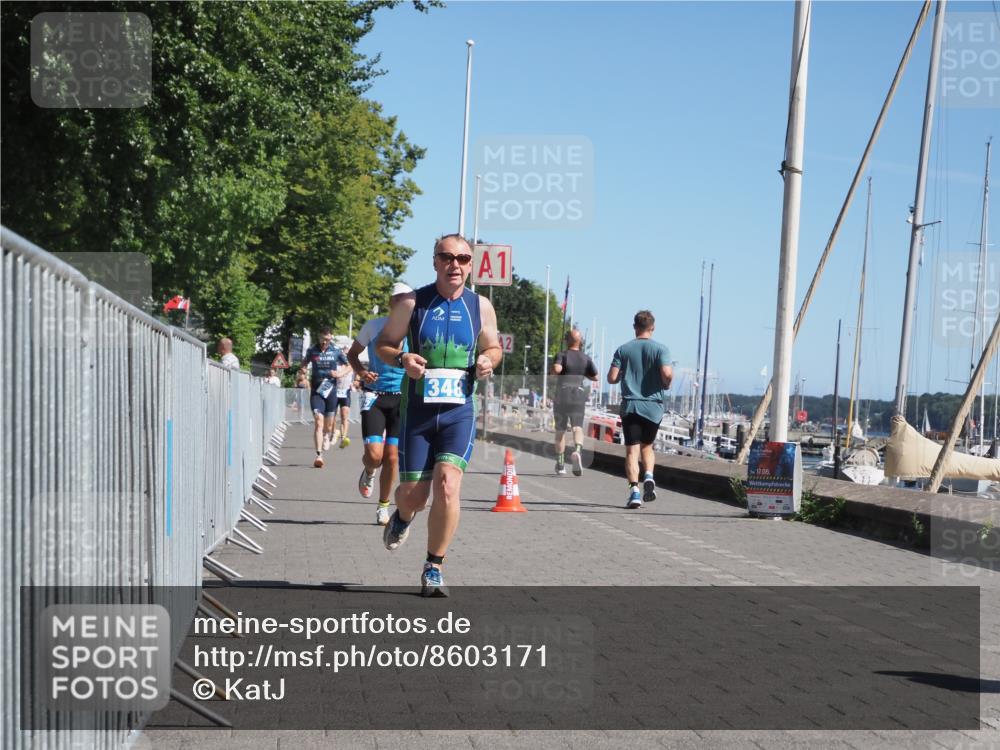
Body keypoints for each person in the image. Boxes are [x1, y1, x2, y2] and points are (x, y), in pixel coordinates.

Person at [375, 234, 502, 597]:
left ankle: (434, 566)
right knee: (414, 496)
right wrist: (402, 359)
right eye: (447, 257)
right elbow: (384, 345)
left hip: (458, 413)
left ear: (470, 264)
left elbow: (493, 347)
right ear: (434, 262)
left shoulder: (481, 306)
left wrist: (486, 361)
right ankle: (402, 517)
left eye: (463, 258)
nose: (455, 265)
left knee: (448, 486)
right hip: (417, 412)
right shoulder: (412, 303)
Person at [347, 283, 412, 526]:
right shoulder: (373, 326)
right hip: (375, 396)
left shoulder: (414, 330)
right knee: (375, 456)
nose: (402, 304)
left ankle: (383, 507)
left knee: (392, 457)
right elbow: (352, 354)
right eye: (398, 300)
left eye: (406, 299)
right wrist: (362, 373)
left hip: (401, 398)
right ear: (391, 302)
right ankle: (370, 470)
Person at [607, 310, 672, 509]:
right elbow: (667, 374)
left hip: (631, 406)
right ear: (652, 328)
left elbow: (611, 378)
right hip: (653, 407)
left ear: (635, 327)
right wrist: (666, 384)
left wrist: (621, 376)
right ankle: (649, 476)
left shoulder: (623, 350)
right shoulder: (662, 350)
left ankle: (634, 491)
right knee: (647, 447)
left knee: (631, 451)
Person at [301, 327, 352, 468]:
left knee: (328, 426)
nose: (325, 342)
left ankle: (327, 435)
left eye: (328, 340)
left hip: (331, 390)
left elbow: (350, 366)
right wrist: (303, 373)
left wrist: (340, 374)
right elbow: (304, 364)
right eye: (324, 339)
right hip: (317, 390)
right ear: (319, 337)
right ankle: (319, 455)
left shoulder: (336, 351)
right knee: (318, 421)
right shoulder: (312, 350)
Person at [552, 328, 598, 476]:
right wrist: (583, 373)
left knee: (560, 431)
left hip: (562, 394)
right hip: (578, 393)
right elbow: (595, 376)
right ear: (580, 342)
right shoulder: (585, 358)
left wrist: (553, 370)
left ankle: (560, 464)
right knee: (577, 427)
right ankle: (577, 450)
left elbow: (557, 369)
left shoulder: (562, 355)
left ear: (567, 341)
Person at [333, 341, 354, 449]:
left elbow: (355, 377)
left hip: (345, 391)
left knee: (344, 416)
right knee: (333, 415)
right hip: (335, 391)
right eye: (344, 351)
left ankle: (343, 437)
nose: (345, 354)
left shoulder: (351, 365)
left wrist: (354, 383)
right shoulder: (336, 364)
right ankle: (334, 432)